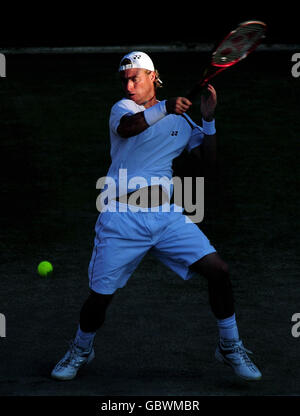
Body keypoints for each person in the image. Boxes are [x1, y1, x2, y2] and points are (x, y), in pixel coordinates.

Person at [51, 51, 262, 382]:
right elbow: (130, 128)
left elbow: (207, 165)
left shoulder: (181, 121)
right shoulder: (123, 110)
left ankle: (229, 346)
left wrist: (208, 120)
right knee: (100, 298)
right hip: (121, 219)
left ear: (153, 77)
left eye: (136, 78)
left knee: (218, 271)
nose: (129, 85)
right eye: (125, 80)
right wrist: (165, 107)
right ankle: (81, 348)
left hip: (165, 217)